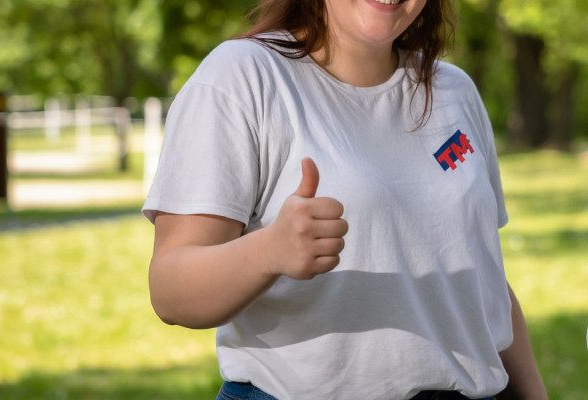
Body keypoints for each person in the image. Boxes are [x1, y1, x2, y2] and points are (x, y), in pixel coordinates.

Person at [142, 0, 548, 398]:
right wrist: (267, 252)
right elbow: (171, 292)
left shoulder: (454, 90)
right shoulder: (242, 75)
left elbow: (479, 280)